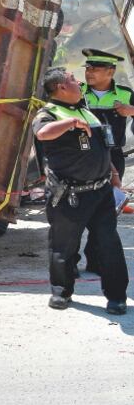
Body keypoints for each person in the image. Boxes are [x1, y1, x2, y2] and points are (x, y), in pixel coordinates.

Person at [33, 67, 129, 314]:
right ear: (62, 87)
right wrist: (70, 123)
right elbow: (42, 134)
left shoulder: (86, 111)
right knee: (64, 247)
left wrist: (114, 172)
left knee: (109, 244)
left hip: (101, 193)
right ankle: (61, 292)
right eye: (74, 80)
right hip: (69, 195)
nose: (79, 83)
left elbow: (100, 147)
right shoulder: (50, 113)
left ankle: (117, 296)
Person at [79, 48, 134, 274]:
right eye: (88, 68)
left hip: (113, 156)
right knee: (75, 212)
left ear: (110, 71)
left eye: (95, 68)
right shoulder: (76, 92)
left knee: (105, 213)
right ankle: (69, 261)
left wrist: (131, 110)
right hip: (81, 157)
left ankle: (95, 260)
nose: (89, 72)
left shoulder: (125, 93)